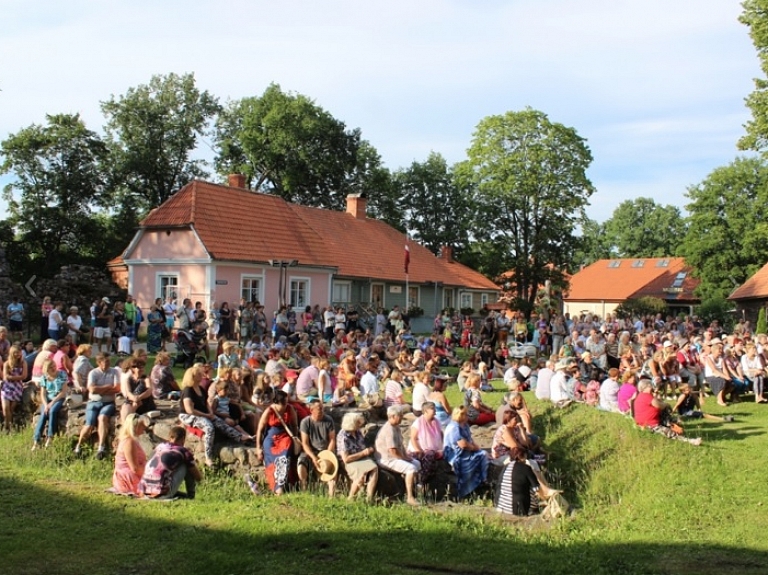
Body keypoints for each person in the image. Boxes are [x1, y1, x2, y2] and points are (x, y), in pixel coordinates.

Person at [177, 366, 247, 467]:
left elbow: (206, 404)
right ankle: (208, 457)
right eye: (199, 374)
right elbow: (189, 410)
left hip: (203, 413)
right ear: (192, 376)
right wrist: (206, 415)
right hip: (188, 416)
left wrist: (210, 413)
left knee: (219, 422)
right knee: (209, 427)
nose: (202, 376)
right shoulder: (188, 390)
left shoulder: (200, 388)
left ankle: (239, 437)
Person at [74, 352, 121, 458]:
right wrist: (108, 387)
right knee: (89, 424)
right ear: (99, 362)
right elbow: (92, 390)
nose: (109, 363)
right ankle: (78, 446)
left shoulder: (114, 372)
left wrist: (100, 389)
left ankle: (101, 447)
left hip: (108, 403)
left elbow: (117, 388)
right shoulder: (93, 373)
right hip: (93, 402)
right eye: (106, 361)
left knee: (102, 418)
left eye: (109, 361)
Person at [375, 406, 421, 506]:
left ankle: (414, 489)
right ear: (392, 416)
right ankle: (410, 497)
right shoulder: (389, 430)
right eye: (399, 416)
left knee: (417, 463)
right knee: (411, 468)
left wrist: (407, 456)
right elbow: (392, 451)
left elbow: (400, 446)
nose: (401, 417)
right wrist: (404, 459)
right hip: (386, 459)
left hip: (394, 456)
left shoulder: (396, 427)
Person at [139, 426, 202, 499]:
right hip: (162, 493)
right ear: (183, 439)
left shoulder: (159, 447)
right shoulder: (183, 451)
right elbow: (198, 477)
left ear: (169, 437)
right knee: (187, 465)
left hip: (144, 492)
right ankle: (191, 496)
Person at [255, 390, 299, 495]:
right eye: (283, 402)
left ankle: (281, 486)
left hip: (284, 436)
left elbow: (294, 425)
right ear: (277, 402)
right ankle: (275, 487)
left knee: (284, 456)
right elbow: (260, 429)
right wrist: (258, 447)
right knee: (271, 458)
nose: (285, 404)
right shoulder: (269, 411)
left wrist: (295, 438)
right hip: (271, 438)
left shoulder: (290, 409)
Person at [633, 379, 702, 445]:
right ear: (648, 386)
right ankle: (689, 440)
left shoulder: (641, 396)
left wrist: (657, 396)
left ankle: (672, 423)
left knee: (664, 410)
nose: (652, 387)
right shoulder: (646, 396)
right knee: (669, 428)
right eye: (651, 386)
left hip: (644, 422)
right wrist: (667, 404)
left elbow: (657, 403)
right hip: (651, 424)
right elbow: (660, 405)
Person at [442, 406, 489, 499]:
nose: (468, 415)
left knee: (483, 455)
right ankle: (465, 492)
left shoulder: (465, 425)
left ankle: (482, 481)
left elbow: (470, 440)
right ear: (461, 415)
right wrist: (473, 448)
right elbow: (462, 444)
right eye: (466, 414)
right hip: (455, 454)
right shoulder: (454, 427)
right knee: (469, 464)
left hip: (466, 451)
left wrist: (476, 448)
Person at [297, 399, 337, 496]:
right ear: (311, 410)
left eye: (322, 408)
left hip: (326, 450)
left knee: (333, 467)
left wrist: (328, 454)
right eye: (319, 409)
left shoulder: (328, 420)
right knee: (301, 463)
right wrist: (313, 457)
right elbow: (305, 443)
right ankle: (304, 489)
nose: (322, 411)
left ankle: (332, 495)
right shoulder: (305, 422)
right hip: (312, 450)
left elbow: (332, 439)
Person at [336, 412, 378, 502]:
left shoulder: (357, 432)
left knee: (374, 468)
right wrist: (364, 453)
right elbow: (346, 459)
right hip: (349, 461)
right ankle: (351, 498)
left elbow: (362, 446)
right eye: (358, 422)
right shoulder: (343, 437)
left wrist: (368, 450)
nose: (360, 424)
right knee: (360, 474)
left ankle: (369, 497)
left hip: (360, 458)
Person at [495, 447, 549, 516]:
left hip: (500, 506)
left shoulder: (505, 467)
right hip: (517, 510)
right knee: (532, 489)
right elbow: (537, 489)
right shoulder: (526, 468)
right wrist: (546, 499)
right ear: (524, 456)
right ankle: (533, 509)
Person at [32, 359, 69, 450]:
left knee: (52, 411)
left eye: (53, 365)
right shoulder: (44, 377)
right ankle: (36, 439)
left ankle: (50, 436)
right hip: (48, 399)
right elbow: (43, 394)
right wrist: (45, 404)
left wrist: (51, 403)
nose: (53, 368)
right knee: (44, 414)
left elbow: (63, 392)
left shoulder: (61, 374)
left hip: (58, 398)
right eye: (50, 367)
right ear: (46, 370)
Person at [407, 401, 444, 487]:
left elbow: (441, 434)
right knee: (428, 456)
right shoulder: (418, 423)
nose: (435, 410)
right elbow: (413, 438)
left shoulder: (436, 422)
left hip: (433, 449)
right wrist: (419, 450)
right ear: (426, 411)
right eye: (432, 408)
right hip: (419, 450)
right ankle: (421, 481)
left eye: (434, 408)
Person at [112, 413, 150, 496]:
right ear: (135, 426)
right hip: (128, 479)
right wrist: (149, 475)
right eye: (142, 425)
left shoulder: (130, 440)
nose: (144, 428)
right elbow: (135, 468)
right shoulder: (129, 442)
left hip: (128, 476)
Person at [120, 357, 156, 422]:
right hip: (133, 400)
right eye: (139, 367)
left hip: (144, 402)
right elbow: (128, 392)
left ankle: (126, 424)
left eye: (142, 367)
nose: (141, 369)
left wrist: (139, 397)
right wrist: (134, 398)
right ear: (133, 369)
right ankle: (124, 423)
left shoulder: (146, 378)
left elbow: (149, 390)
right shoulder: (128, 379)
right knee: (125, 406)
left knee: (136, 403)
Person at [1, 345, 27, 433]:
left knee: (11, 409)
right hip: (7, 387)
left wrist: (11, 377)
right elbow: (5, 377)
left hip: (17, 387)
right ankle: (7, 426)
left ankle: (7, 427)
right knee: (5, 407)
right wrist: (16, 377)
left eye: (19, 353)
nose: (18, 354)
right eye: (16, 353)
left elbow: (24, 376)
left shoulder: (23, 363)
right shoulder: (7, 363)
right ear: (12, 353)